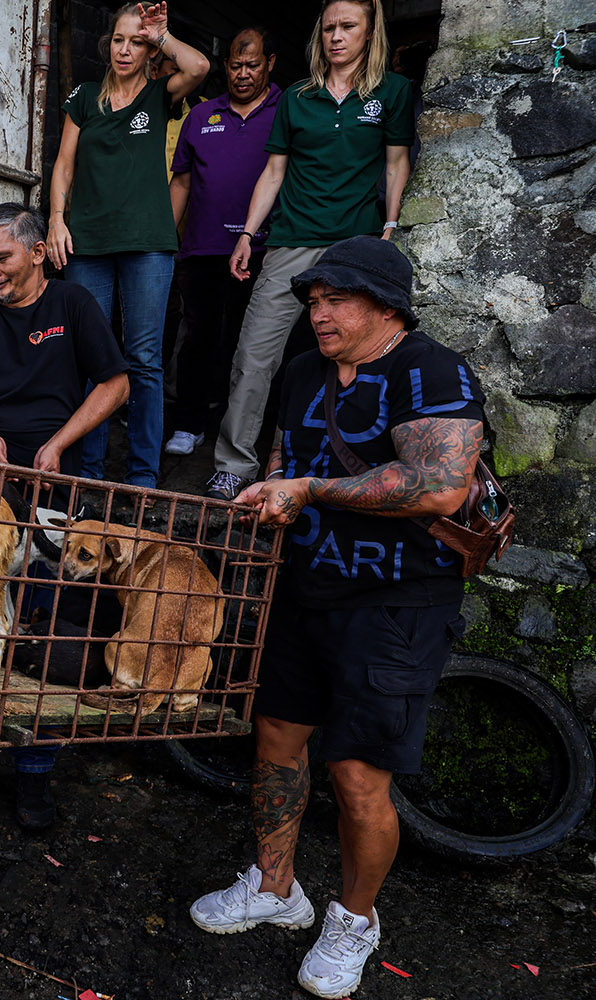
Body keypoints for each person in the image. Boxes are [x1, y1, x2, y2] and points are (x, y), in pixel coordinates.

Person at [189, 237, 484, 1000]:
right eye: (312, 301)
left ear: (385, 307)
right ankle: (275, 886)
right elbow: (289, 462)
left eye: (334, 300)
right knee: (278, 742)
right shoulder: (300, 372)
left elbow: (440, 487)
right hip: (305, 589)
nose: (318, 314)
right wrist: (275, 495)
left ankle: (355, 919)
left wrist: (313, 492)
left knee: (357, 776)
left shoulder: (432, 370)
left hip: (395, 605)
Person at [0, 202, 130, 828]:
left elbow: (115, 384)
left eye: (1, 258)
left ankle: (34, 773)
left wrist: (61, 441)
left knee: (48, 622)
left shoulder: (74, 307)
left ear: (38, 252)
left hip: (51, 487)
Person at [204, 0, 416, 502]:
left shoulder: (394, 92)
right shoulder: (298, 97)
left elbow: (396, 162)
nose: (336, 37)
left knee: (342, 359)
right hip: (291, 238)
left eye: (348, 28)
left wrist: (390, 225)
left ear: (370, 33)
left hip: (355, 249)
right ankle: (233, 464)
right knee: (254, 354)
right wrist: (248, 234)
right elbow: (273, 172)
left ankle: (315, 464)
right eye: (329, 29)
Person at [47, 1, 208, 489]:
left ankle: (142, 476)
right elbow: (64, 165)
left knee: (143, 360)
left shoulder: (160, 95)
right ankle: (91, 474)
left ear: (148, 51)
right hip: (89, 244)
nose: (124, 49)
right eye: (118, 39)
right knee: (94, 358)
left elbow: (199, 66)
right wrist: (56, 219)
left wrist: (160, 34)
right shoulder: (85, 96)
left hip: (147, 244)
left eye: (135, 42)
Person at [163, 27, 282, 457]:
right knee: (198, 338)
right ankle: (189, 423)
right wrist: (164, 242)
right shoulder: (201, 116)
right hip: (203, 248)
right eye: (235, 65)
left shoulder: (287, 109)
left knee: (249, 343)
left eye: (253, 65)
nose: (243, 74)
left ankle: (245, 434)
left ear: (271, 64)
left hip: (265, 249)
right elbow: (182, 184)